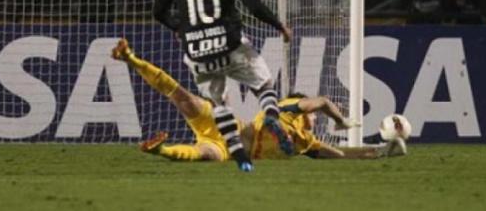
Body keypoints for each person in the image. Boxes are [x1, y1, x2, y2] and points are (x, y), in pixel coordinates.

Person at [111, 39, 403, 162]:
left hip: (226, 144)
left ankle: (160, 149)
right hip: (233, 129)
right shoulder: (293, 109)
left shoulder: (308, 144)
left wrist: (380, 151)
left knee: (203, 154)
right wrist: (340, 121)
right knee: (183, 98)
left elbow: (341, 156)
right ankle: (130, 57)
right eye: (312, 119)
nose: (315, 122)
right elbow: (321, 102)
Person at [153, 0, 293, 171]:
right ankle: (271, 117)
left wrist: (179, 28)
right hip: (230, 45)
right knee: (263, 85)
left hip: (197, 51)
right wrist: (279, 25)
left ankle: (240, 157)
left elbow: (158, 11)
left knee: (218, 105)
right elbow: (251, 3)